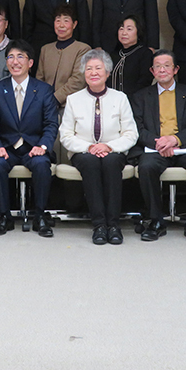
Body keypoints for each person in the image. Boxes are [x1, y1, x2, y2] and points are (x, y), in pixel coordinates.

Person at [129, 50, 186, 244]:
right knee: (146, 166)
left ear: (176, 69)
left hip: (183, 148)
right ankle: (156, 220)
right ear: (152, 71)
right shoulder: (141, 96)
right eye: (158, 66)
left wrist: (175, 140)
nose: (162, 70)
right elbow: (137, 128)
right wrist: (160, 142)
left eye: (167, 66)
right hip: (155, 148)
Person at [60, 49, 138, 245]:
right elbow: (66, 135)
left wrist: (109, 147)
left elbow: (131, 134)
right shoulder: (73, 100)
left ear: (108, 72)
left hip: (113, 151)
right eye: (89, 69)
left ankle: (113, 225)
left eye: (98, 68)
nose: (93, 72)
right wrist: (89, 147)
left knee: (111, 163)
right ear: (83, 73)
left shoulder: (120, 98)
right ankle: (99, 225)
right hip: (83, 152)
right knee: (90, 163)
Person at [0, 40, 59, 237]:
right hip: (7, 147)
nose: (15, 61)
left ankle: (40, 216)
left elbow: (51, 124)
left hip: (34, 146)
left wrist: (43, 145)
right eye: (10, 57)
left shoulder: (43, 90)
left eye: (20, 57)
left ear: (30, 63)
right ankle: (4, 217)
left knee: (42, 164)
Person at [35, 5, 91, 107]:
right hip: (45, 105)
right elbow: (39, 79)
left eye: (66, 21)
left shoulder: (83, 49)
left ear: (74, 24)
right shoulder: (45, 49)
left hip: (71, 106)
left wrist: (54, 99)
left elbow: (78, 81)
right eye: (57, 21)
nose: (61, 25)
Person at [107, 14, 153, 98]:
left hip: (136, 101)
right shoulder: (113, 54)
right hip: (112, 101)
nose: (124, 33)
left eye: (129, 29)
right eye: (121, 29)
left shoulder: (145, 53)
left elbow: (144, 82)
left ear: (138, 32)